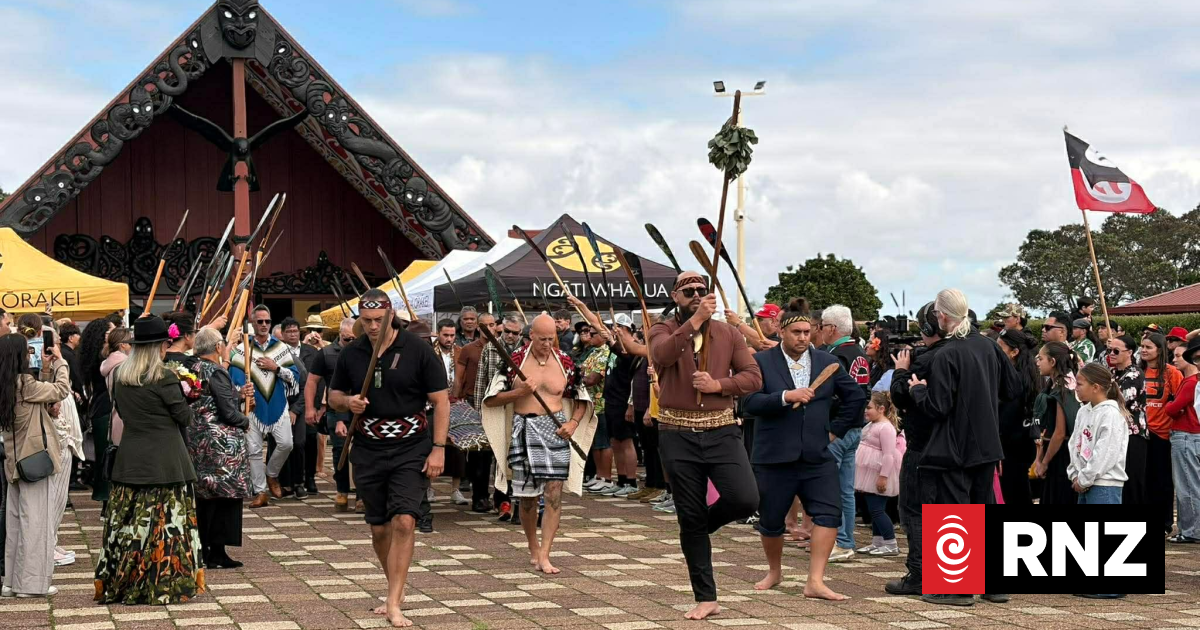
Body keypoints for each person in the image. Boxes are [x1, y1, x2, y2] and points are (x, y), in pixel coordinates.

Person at [328, 290, 449, 627]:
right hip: (368, 447)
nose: (372, 326)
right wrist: (348, 402)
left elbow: (441, 401)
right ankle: (395, 585)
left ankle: (393, 601)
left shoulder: (418, 349)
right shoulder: (352, 353)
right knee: (379, 528)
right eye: (366, 321)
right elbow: (333, 395)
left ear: (391, 315)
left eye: (378, 320)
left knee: (405, 520)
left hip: (411, 446)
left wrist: (438, 448)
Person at [649, 271, 761, 620]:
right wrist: (694, 322)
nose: (696, 295)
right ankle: (706, 596)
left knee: (745, 499)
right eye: (688, 291)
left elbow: (753, 377)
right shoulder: (662, 329)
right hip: (676, 433)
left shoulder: (728, 333)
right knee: (689, 511)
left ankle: (698, 527)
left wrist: (719, 385)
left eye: (701, 290)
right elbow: (662, 356)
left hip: (721, 431)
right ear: (675, 296)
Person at [907, 289, 1016, 607]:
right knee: (985, 510)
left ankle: (957, 589)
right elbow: (1013, 388)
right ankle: (994, 585)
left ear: (941, 316)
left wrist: (917, 391)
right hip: (987, 441)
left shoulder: (946, 354)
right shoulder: (988, 346)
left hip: (954, 445)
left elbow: (937, 407)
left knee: (955, 513)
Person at [742, 308, 860, 600]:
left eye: (808, 332)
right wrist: (785, 397)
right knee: (771, 520)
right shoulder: (761, 361)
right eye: (796, 332)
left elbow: (856, 397)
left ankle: (815, 581)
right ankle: (774, 571)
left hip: (817, 455)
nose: (803, 338)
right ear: (781, 331)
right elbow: (748, 403)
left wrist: (834, 431)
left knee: (829, 514)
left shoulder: (827, 362)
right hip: (773, 455)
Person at [95, 315, 204, 605]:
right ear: (160, 346)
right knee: (165, 526)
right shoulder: (164, 377)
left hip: (130, 458)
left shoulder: (121, 376)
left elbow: (123, 414)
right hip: (166, 461)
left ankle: (126, 580)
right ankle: (163, 581)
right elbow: (184, 417)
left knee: (130, 524)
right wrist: (188, 396)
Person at [482, 314, 596, 574]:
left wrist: (573, 423)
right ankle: (533, 546)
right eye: (542, 338)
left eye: (551, 338)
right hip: (524, 427)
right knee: (527, 498)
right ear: (530, 335)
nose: (546, 343)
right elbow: (491, 399)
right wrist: (519, 392)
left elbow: (581, 398)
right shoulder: (514, 361)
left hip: (556, 429)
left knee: (554, 493)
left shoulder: (565, 361)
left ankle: (546, 553)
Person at [1, 332, 71, 598]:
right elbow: (60, 390)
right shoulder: (25, 384)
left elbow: (36, 397)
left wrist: (45, 370)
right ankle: (31, 584)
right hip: (34, 461)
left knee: (16, 525)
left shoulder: (7, 384)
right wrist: (60, 363)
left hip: (15, 462)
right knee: (36, 524)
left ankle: (11, 582)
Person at [885, 302, 946, 595]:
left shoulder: (927, 360)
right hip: (957, 445)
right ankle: (951, 573)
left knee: (915, 510)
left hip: (922, 445)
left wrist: (900, 371)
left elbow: (900, 396)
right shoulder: (966, 352)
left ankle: (920, 573)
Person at [186, 328, 253, 570]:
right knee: (224, 497)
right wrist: (245, 421)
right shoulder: (216, 371)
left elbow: (210, 399)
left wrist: (238, 395)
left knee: (205, 497)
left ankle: (204, 548)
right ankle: (217, 551)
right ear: (217, 347)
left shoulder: (194, 368)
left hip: (198, 440)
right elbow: (227, 411)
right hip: (221, 445)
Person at [229, 305, 299, 508]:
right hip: (252, 405)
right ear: (253, 323)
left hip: (278, 402)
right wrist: (242, 390)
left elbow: (294, 375)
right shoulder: (243, 348)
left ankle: (272, 474)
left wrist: (275, 367)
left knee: (287, 443)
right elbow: (233, 377)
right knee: (254, 450)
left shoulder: (280, 347)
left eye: (267, 321)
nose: (264, 325)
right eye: (260, 321)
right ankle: (260, 492)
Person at [819, 304, 869, 562]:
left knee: (829, 489)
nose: (821, 331)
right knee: (846, 491)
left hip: (838, 429)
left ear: (832, 328)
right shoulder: (859, 351)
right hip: (855, 428)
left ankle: (835, 541)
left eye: (822, 326)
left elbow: (842, 397)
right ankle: (845, 540)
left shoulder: (836, 355)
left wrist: (834, 430)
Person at [306, 318, 356, 512]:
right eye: (347, 339)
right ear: (340, 335)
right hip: (336, 409)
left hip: (361, 408)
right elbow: (312, 381)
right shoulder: (326, 354)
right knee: (340, 450)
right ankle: (342, 490)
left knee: (363, 451)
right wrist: (310, 408)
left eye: (354, 339)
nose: (351, 342)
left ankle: (362, 494)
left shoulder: (364, 351)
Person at [1069, 362, 1130, 504]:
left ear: (1095, 387)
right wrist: (1075, 474)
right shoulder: (1083, 411)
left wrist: (1084, 479)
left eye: (1079, 384)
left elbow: (1105, 453)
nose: (1075, 388)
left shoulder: (1111, 414)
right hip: (1083, 482)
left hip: (1105, 485)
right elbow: (1074, 444)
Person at [1140, 332, 1181, 535]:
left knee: (1162, 480)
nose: (1144, 350)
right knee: (1143, 478)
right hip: (1141, 433)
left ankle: (1164, 522)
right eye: (1142, 346)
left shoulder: (1172, 372)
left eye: (1148, 347)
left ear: (1159, 350)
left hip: (1163, 434)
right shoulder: (1137, 372)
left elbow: (1180, 401)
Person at [854, 392, 902, 556]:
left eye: (869, 408)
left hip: (879, 474)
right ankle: (878, 541)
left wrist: (883, 476)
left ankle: (891, 543)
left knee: (877, 510)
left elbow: (888, 455)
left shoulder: (886, 428)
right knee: (873, 509)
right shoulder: (872, 424)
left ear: (881, 409)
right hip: (870, 474)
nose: (866, 411)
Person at [995, 328, 1039, 506]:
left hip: (1012, 447)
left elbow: (1006, 418)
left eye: (1000, 348)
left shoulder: (1014, 380)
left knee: (1014, 493)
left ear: (1014, 352)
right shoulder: (1026, 376)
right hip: (1021, 445)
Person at [1033, 341, 1079, 505]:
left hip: (1061, 454)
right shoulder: (1055, 383)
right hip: (1053, 449)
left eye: (1041, 359)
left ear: (1052, 361)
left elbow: (1059, 433)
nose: (1037, 362)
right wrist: (1039, 458)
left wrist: (1044, 462)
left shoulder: (1063, 388)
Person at [79, 317, 118, 502]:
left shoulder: (92, 355)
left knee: (103, 455)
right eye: (111, 331)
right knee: (107, 456)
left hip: (99, 408)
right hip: (105, 408)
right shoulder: (104, 357)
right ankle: (106, 496)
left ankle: (104, 495)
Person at [1108, 334, 1148, 508]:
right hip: (1117, 434)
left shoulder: (1134, 374)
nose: (1111, 354)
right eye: (1110, 350)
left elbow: (1119, 401)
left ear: (1130, 352)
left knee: (1132, 482)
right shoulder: (1112, 373)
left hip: (1133, 435)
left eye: (1116, 351)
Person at [602, 314, 640, 497]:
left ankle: (632, 481)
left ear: (624, 328)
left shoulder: (630, 348)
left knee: (626, 441)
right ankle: (622, 479)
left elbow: (632, 376)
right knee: (615, 442)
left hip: (623, 401)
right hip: (611, 400)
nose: (611, 330)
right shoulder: (615, 347)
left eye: (614, 327)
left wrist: (630, 405)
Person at [433, 319, 468, 506]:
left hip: (455, 404)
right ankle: (429, 487)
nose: (449, 339)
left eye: (452, 335)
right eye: (445, 335)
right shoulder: (430, 352)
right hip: (433, 404)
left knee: (457, 449)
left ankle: (455, 489)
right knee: (432, 444)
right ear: (438, 333)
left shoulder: (460, 352)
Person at [1169, 337, 1200, 543]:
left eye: (1178, 356)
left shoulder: (1191, 382)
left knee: (1188, 486)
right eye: (1197, 358)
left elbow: (1172, 408)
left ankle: (1191, 531)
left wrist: (1171, 406)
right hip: (1190, 435)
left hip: (1187, 435)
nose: (1174, 359)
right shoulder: (1194, 383)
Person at [580, 324, 614, 494]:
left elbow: (592, 379)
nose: (589, 335)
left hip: (601, 403)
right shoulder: (593, 352)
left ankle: (606, 478)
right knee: (595, 442)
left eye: (593, 334)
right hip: (591, 403)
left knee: (603, 442)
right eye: (588, 332)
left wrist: (578, 377)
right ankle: (599, 476)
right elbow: (582, 370)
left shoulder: (605, 353)